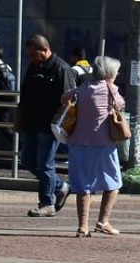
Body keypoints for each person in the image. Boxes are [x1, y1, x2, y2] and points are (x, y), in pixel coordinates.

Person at [62, 55, 125, 237]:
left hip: (78, 144)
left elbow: (64, 97)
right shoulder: (111, 90)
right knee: (113, 183)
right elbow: (121, 105)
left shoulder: (82, 88)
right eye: (117, 71)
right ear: (110, 73)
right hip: (103, 144)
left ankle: (83, 226)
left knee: (83, 186)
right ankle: (103, 221)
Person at [17, 34, 76, 217]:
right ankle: (60, 186)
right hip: (32, 123)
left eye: (35, 54)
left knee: (45, 164)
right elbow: (25, 94)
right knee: (27, 160)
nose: (33, 59)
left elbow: (69, 101)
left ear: (45, 49)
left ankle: (47, 203)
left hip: (49, 126)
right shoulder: (33, 67)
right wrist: (19, 118)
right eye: (31, 55)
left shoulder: (62, 69)